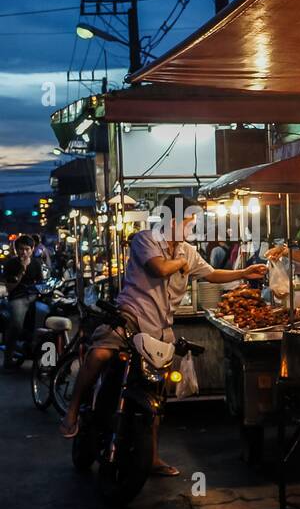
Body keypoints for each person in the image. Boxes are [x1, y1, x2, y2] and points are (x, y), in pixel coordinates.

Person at [59, 198, 268, 475]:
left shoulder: (187, 252)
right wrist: (180, 261)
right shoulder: (146, 239)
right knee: (99, 354)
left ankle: (153, 457)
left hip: (159, 328)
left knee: (154, 393)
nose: (192, 227)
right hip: (130, 317)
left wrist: (244, 272)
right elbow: (158, 269)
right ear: (172, 220)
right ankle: (72, 411)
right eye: (188, 221)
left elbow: (211, 273)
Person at [3, 236, 43, 370]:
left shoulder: (37, 263)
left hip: (34, 296)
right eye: (21, 249)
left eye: (27, 249)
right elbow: (10, 287)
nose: (24, 252)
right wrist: (22, 270)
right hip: (18, 298)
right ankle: (8, 360)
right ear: (16, 250)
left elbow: (41, 282)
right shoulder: (10, 264)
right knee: (16, 326)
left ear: (32, 249)